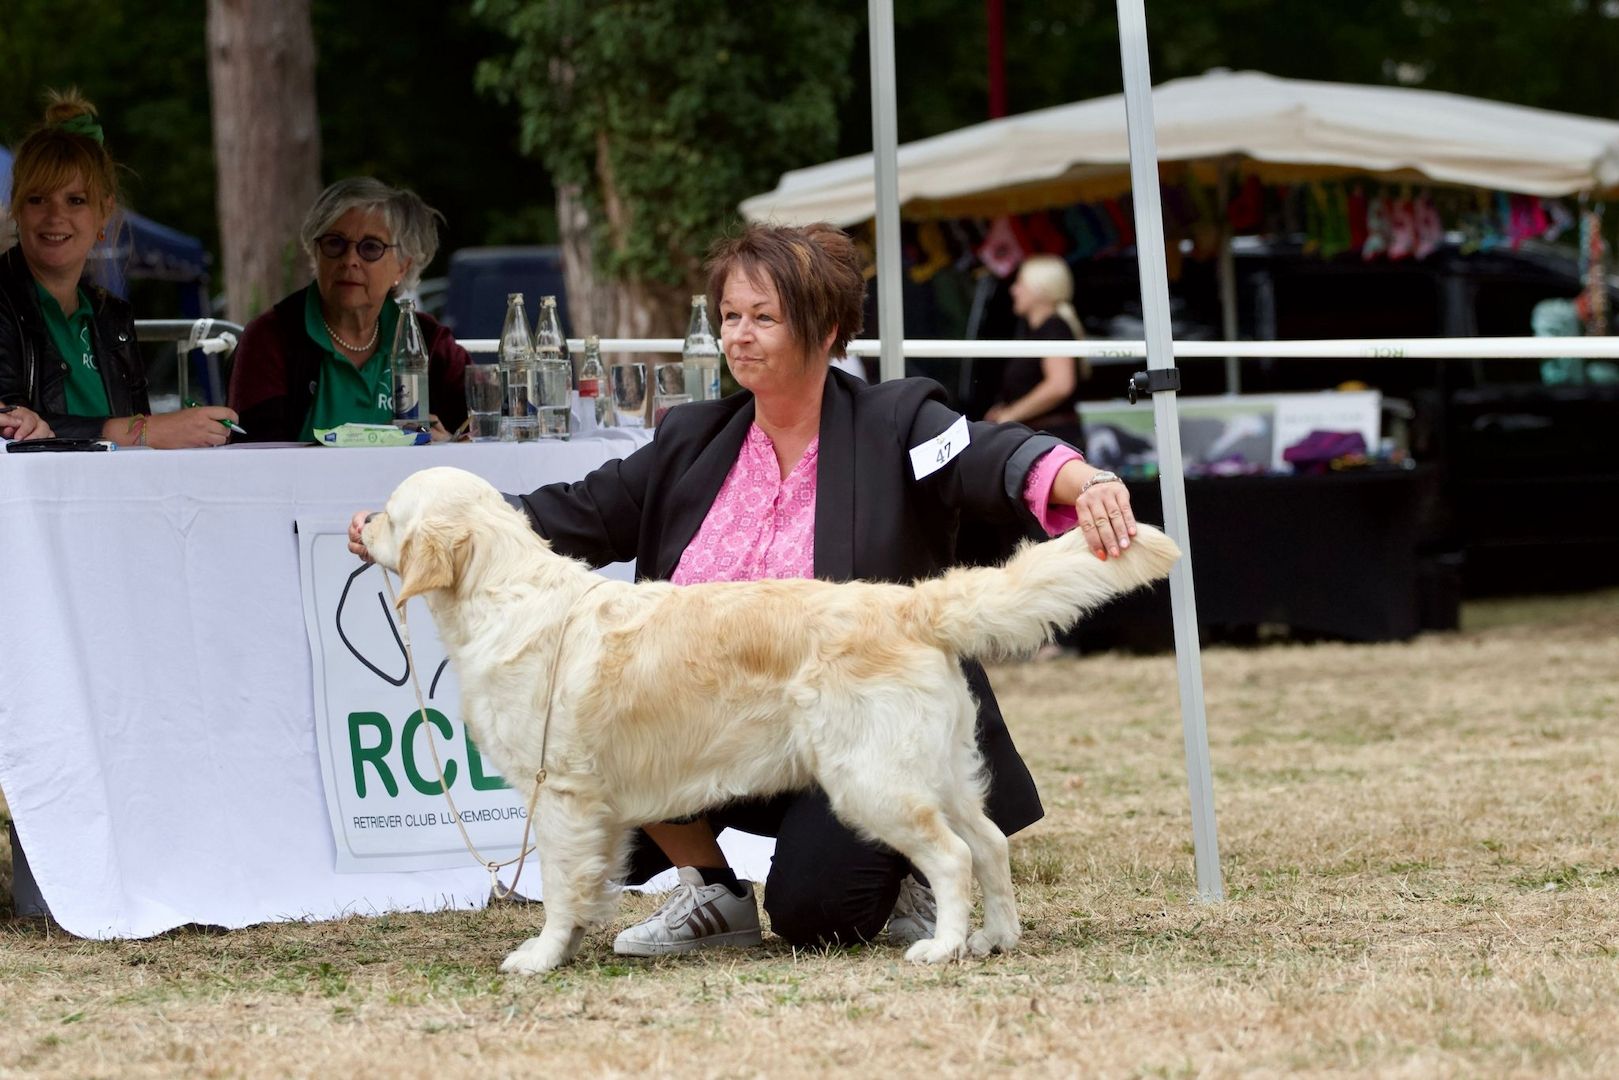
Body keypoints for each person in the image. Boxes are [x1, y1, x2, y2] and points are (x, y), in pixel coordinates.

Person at [347, 222, 1138, 955]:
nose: (738, 336)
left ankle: (911, 875)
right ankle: (712, 891)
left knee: (814, 918)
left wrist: (1080, 479)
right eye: (729, 316)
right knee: (627, 693)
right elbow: (581, 512)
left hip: (855, 707)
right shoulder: (694, 438)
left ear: (825, 330)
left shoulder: (896, 420)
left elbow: (992, 454)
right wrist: (443, 530)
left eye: (763, 317)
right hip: (714, 730)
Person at [0, 89, 239, 447]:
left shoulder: (111, 315)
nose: (55, 216)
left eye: (75, 200)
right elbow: (10, 426)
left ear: (104, 212)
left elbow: (132, 437)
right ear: (17, 208)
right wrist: (148, 429)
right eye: (37, 199)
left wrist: (181, 429)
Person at [227, 177, 469, 442]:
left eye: (371, 248)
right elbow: (253, 456)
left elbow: (477, 433)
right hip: (304, 484)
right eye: (334, 243)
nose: (350, 260)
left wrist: (447, 444)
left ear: (403, 267)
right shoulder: (271, 337)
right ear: (315, 253)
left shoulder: (427, 340)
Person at [984, 254, 1087, 449]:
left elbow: (1060, 384)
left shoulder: (1055, 328)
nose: (1013, 290)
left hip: (1051, 442)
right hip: (1042, 439)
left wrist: (1010, 415)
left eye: (1020, 283)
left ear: (1039, 289)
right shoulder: (1039, 330)